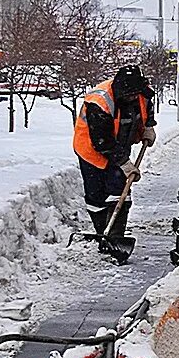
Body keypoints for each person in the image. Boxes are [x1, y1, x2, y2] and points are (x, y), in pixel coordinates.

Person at [73, 65, 156, 243]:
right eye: (130, 95)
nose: (134, 98)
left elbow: (147, 107)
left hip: (120, 144)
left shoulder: (142, 92)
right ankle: (102, 230)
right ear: (121, 91)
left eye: (136, 94)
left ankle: (115, 236)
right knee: (96, 195)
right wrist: (125, 164)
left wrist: (148, 126)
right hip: (91, 149)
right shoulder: (99, 102)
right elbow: (103, 142)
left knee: (119, 189)